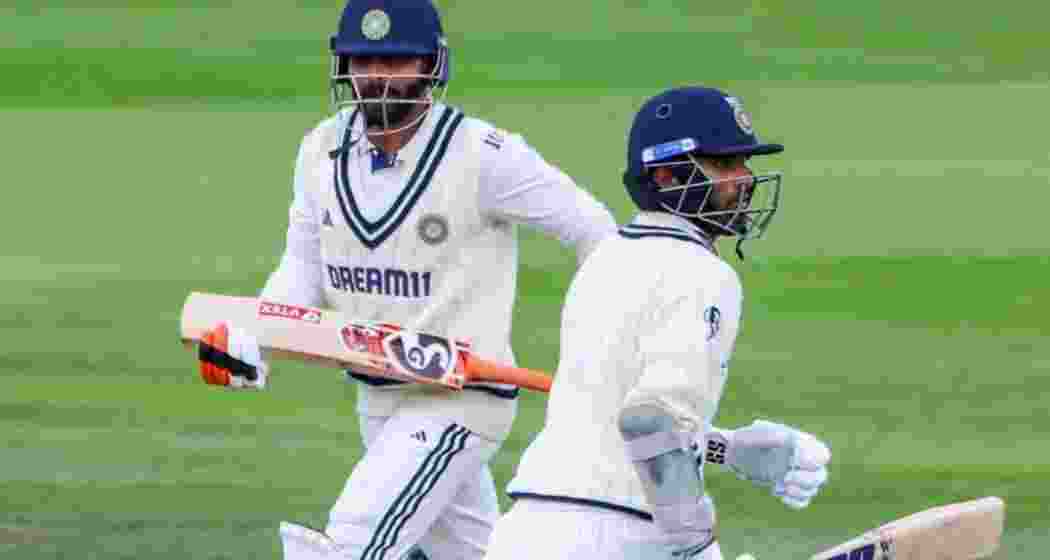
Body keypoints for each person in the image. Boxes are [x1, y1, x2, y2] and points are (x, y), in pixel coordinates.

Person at [194, 1, 616, 559]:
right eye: (363, 61)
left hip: (462, 399)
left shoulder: (484, 155)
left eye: (396, 61)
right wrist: (258, 342)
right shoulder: (319, 149)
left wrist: (602, 345)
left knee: (353, 540)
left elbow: (596, 231)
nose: (377, 77)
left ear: (431, 65)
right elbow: (302, 270)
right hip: (378, 400)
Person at [482, 86, 832, 560]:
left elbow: (610, 413)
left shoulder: (607, 255)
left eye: (743, 163)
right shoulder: (704, 273)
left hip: (529, 527)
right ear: (666, 175)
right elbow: (649, 422)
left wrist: (728, 448)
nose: (745, 179)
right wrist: (697, 546)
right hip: (619, 532)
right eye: (724, 164)